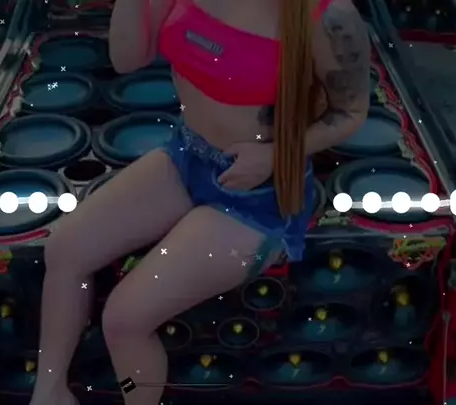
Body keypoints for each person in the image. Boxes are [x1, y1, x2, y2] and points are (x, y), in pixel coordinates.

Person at [29, 0, 370, 404]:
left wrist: (277, 155)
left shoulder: (327, 14)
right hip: (187, 156)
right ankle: (49, 392)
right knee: (65, 249)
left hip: (259, 194)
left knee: (124, 320)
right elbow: (126, 60)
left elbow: (351, 112)